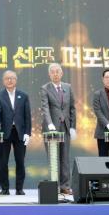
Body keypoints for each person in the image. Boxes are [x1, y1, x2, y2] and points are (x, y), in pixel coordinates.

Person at [0, 70, 31, 195]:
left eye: (12, 78)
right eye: (7, 78)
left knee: (20, 161)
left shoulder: (23, 95)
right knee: (3, 162)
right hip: (4, 132)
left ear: (16, 80)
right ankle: (5, 188)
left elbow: (27, 116)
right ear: (3, 81)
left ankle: (19, 188)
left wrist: (28, 133)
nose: (10, 80)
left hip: (20, 133)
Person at [39, 63, 76, 195]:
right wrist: (50, 124)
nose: (55, 74)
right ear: (49, 74)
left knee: (65, 157)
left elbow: (72, 108)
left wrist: (73, 127)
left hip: (65, 127)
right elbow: (45, 108)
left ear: (61, 73)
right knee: (53, 157)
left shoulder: (68, 87)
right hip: (51, 129)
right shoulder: (45, 88)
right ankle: (54, 185)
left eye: (57, 71)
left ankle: (65, 186)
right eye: (52, 72)